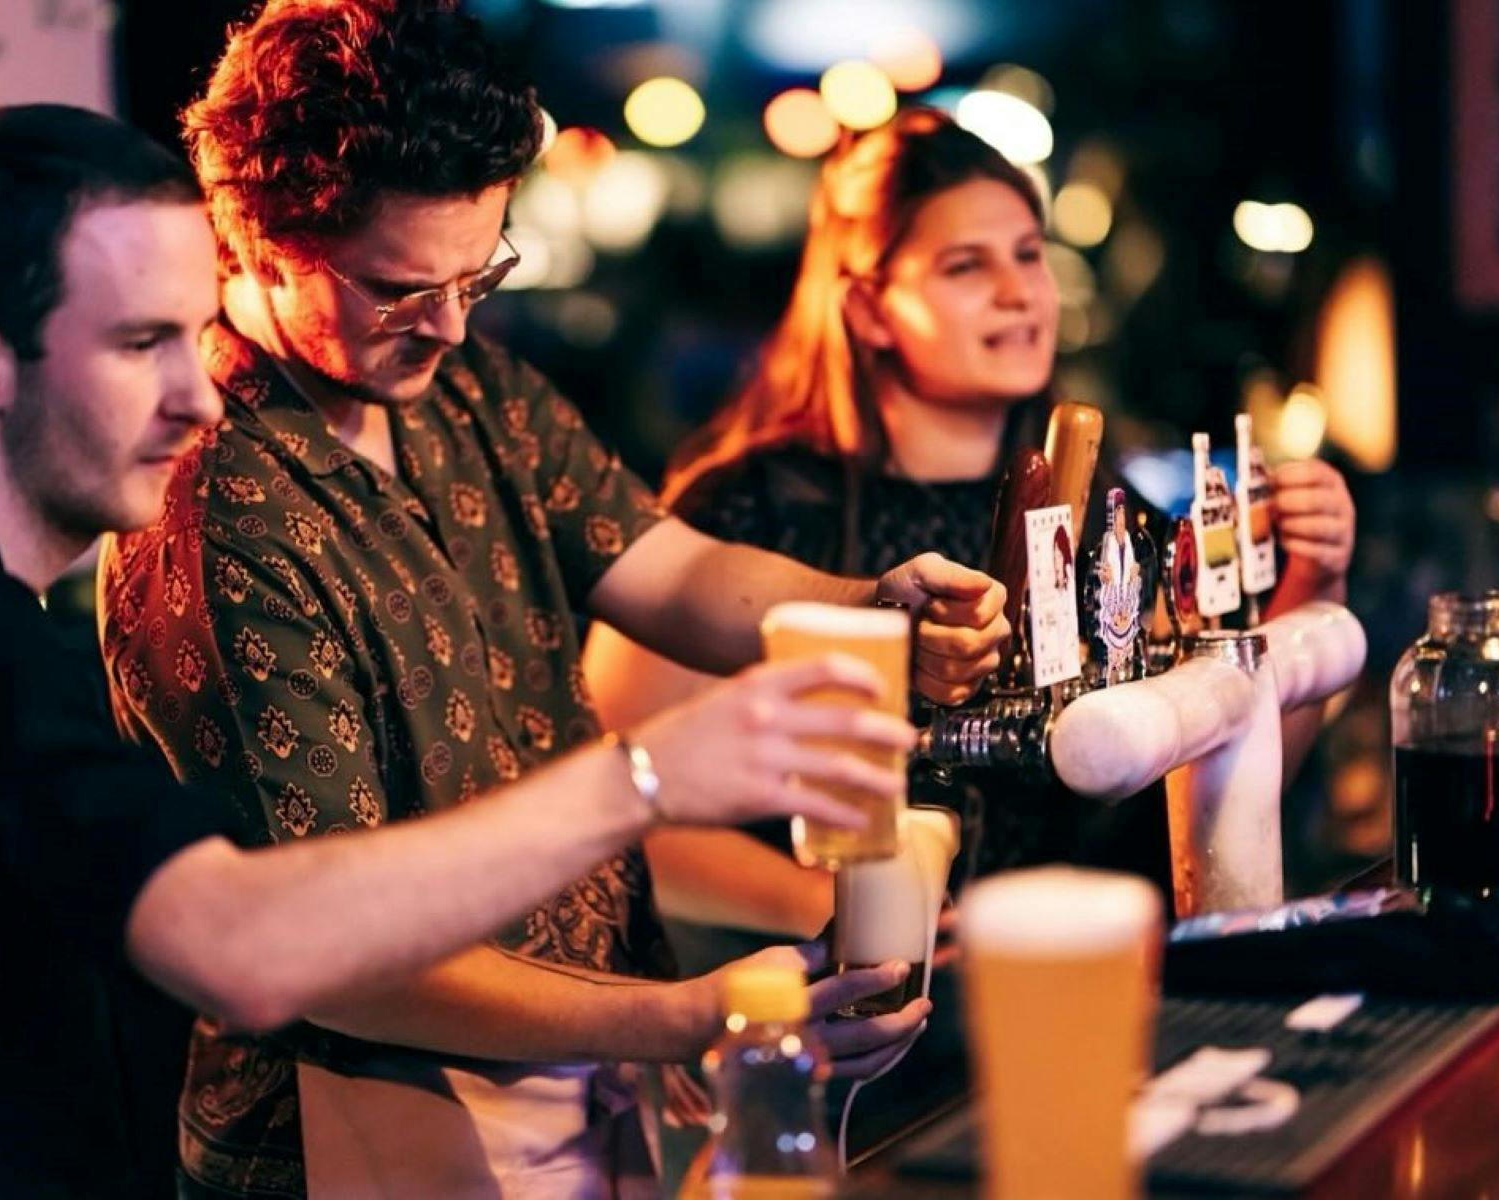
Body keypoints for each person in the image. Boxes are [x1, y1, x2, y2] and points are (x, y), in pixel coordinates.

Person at [0, 103, 929, 1198]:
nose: (195, 399)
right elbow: (243, 946)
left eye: (195, 339)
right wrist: (650, 783)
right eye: (142, 345)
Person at [100, 4, 1010, 1196]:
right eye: (398, 287)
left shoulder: (466, 382)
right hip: (357, 1115)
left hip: (581, 1059)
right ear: (254, 241)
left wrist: (870, 604)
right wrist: (685, 1016)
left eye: (479, 271)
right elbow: (344, 958)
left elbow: (665, 565)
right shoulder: (218, 515)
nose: (452, 321)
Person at [583, 107, 1357, 958]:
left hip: (1076, 978)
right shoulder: (750, 508)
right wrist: (859, 915)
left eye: (1028, 253)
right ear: (869, 309)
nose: (1018, 291)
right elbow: (611, 809)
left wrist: (1311, 586)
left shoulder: (1106, 511)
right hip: (844, 1022)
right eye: (964, 265)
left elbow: (1223, 789)